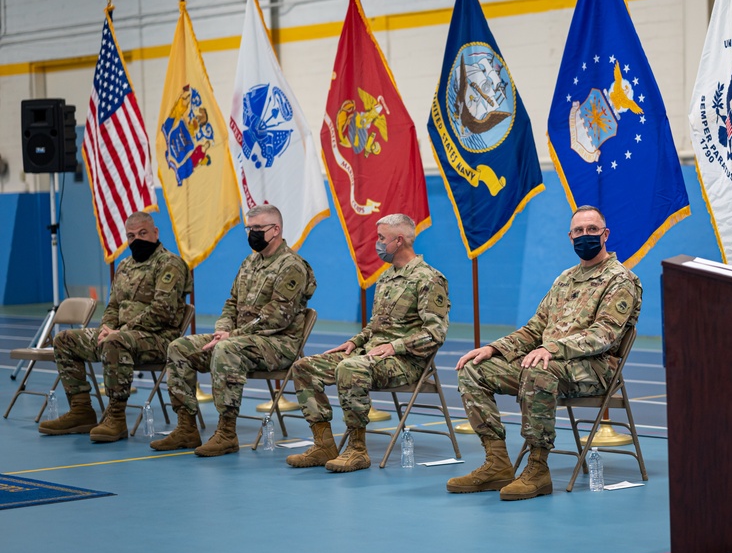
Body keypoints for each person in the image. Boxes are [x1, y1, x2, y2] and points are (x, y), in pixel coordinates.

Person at [447, 206, 641, 500]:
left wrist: (551, 348)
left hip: (594, 369)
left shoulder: (620, 279)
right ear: (570, 236)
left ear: (606, 234)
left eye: (592, 230)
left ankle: (538, 469)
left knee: (539, 372)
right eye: (579, 231)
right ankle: (497, 463)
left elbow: (604, 335)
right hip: (550, 364)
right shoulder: (564, 280)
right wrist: (493, 348)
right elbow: (534, 329)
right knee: (474, 369)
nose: (585, 236)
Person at [285, 213, 449, 473]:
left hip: (405, 362)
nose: (378, 243)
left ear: (399, 240)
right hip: (370, 354)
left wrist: (394, 347)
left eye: (382, 238)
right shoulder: (386, 278)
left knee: (350, 368)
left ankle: (357, 449)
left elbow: (435, 334)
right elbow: (375, 325)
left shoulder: (429, 279)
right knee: (305, 367)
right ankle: (324, 444)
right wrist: (354, 341)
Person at [151, 204, 316, 457]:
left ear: (276, 230)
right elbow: (231, 303)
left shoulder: (291, 265)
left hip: (277, 344)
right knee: (179, 348)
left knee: (227, 349)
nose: (252, 233)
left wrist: (231, 337)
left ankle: (227, 433)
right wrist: (222, 329)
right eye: (249, 228)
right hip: (240, 340)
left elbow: (277, 317)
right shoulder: (250, 262)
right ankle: (186, 428)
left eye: (257, 228)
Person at [39, 211, 192, 443]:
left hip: (158, 338)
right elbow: (112, 306)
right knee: (65, 339)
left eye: (142, 233)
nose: (137, 240)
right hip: (120, 336)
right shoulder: (124, 266)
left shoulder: (170, 264)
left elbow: (163, 311)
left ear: (155, 233)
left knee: (114, 341)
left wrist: (120, 331)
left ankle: (116, 417)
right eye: (131, 236)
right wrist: (105, 328)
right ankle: (81, 411)